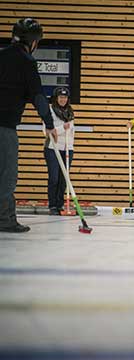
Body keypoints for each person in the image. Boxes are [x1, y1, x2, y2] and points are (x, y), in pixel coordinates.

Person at [0, 18, 57, 233]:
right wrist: (49, 124)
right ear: (33, 42)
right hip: (4, 127)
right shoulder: (26, 61)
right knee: (6, 175)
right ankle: (5, 220)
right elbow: (38, 96)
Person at [43, 87, 75, 215]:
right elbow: (48, 131)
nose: (63, 100)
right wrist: (62, 128)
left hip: (67, 148)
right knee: (54, 178)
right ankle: (53, 206)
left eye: (65, 97)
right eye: (61, 97)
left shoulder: (70, 112)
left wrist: (70, 146)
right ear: (56, 98)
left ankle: (60, 204)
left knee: (63, 179)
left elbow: (71, 131)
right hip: (52, 148)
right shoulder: (49, 111)